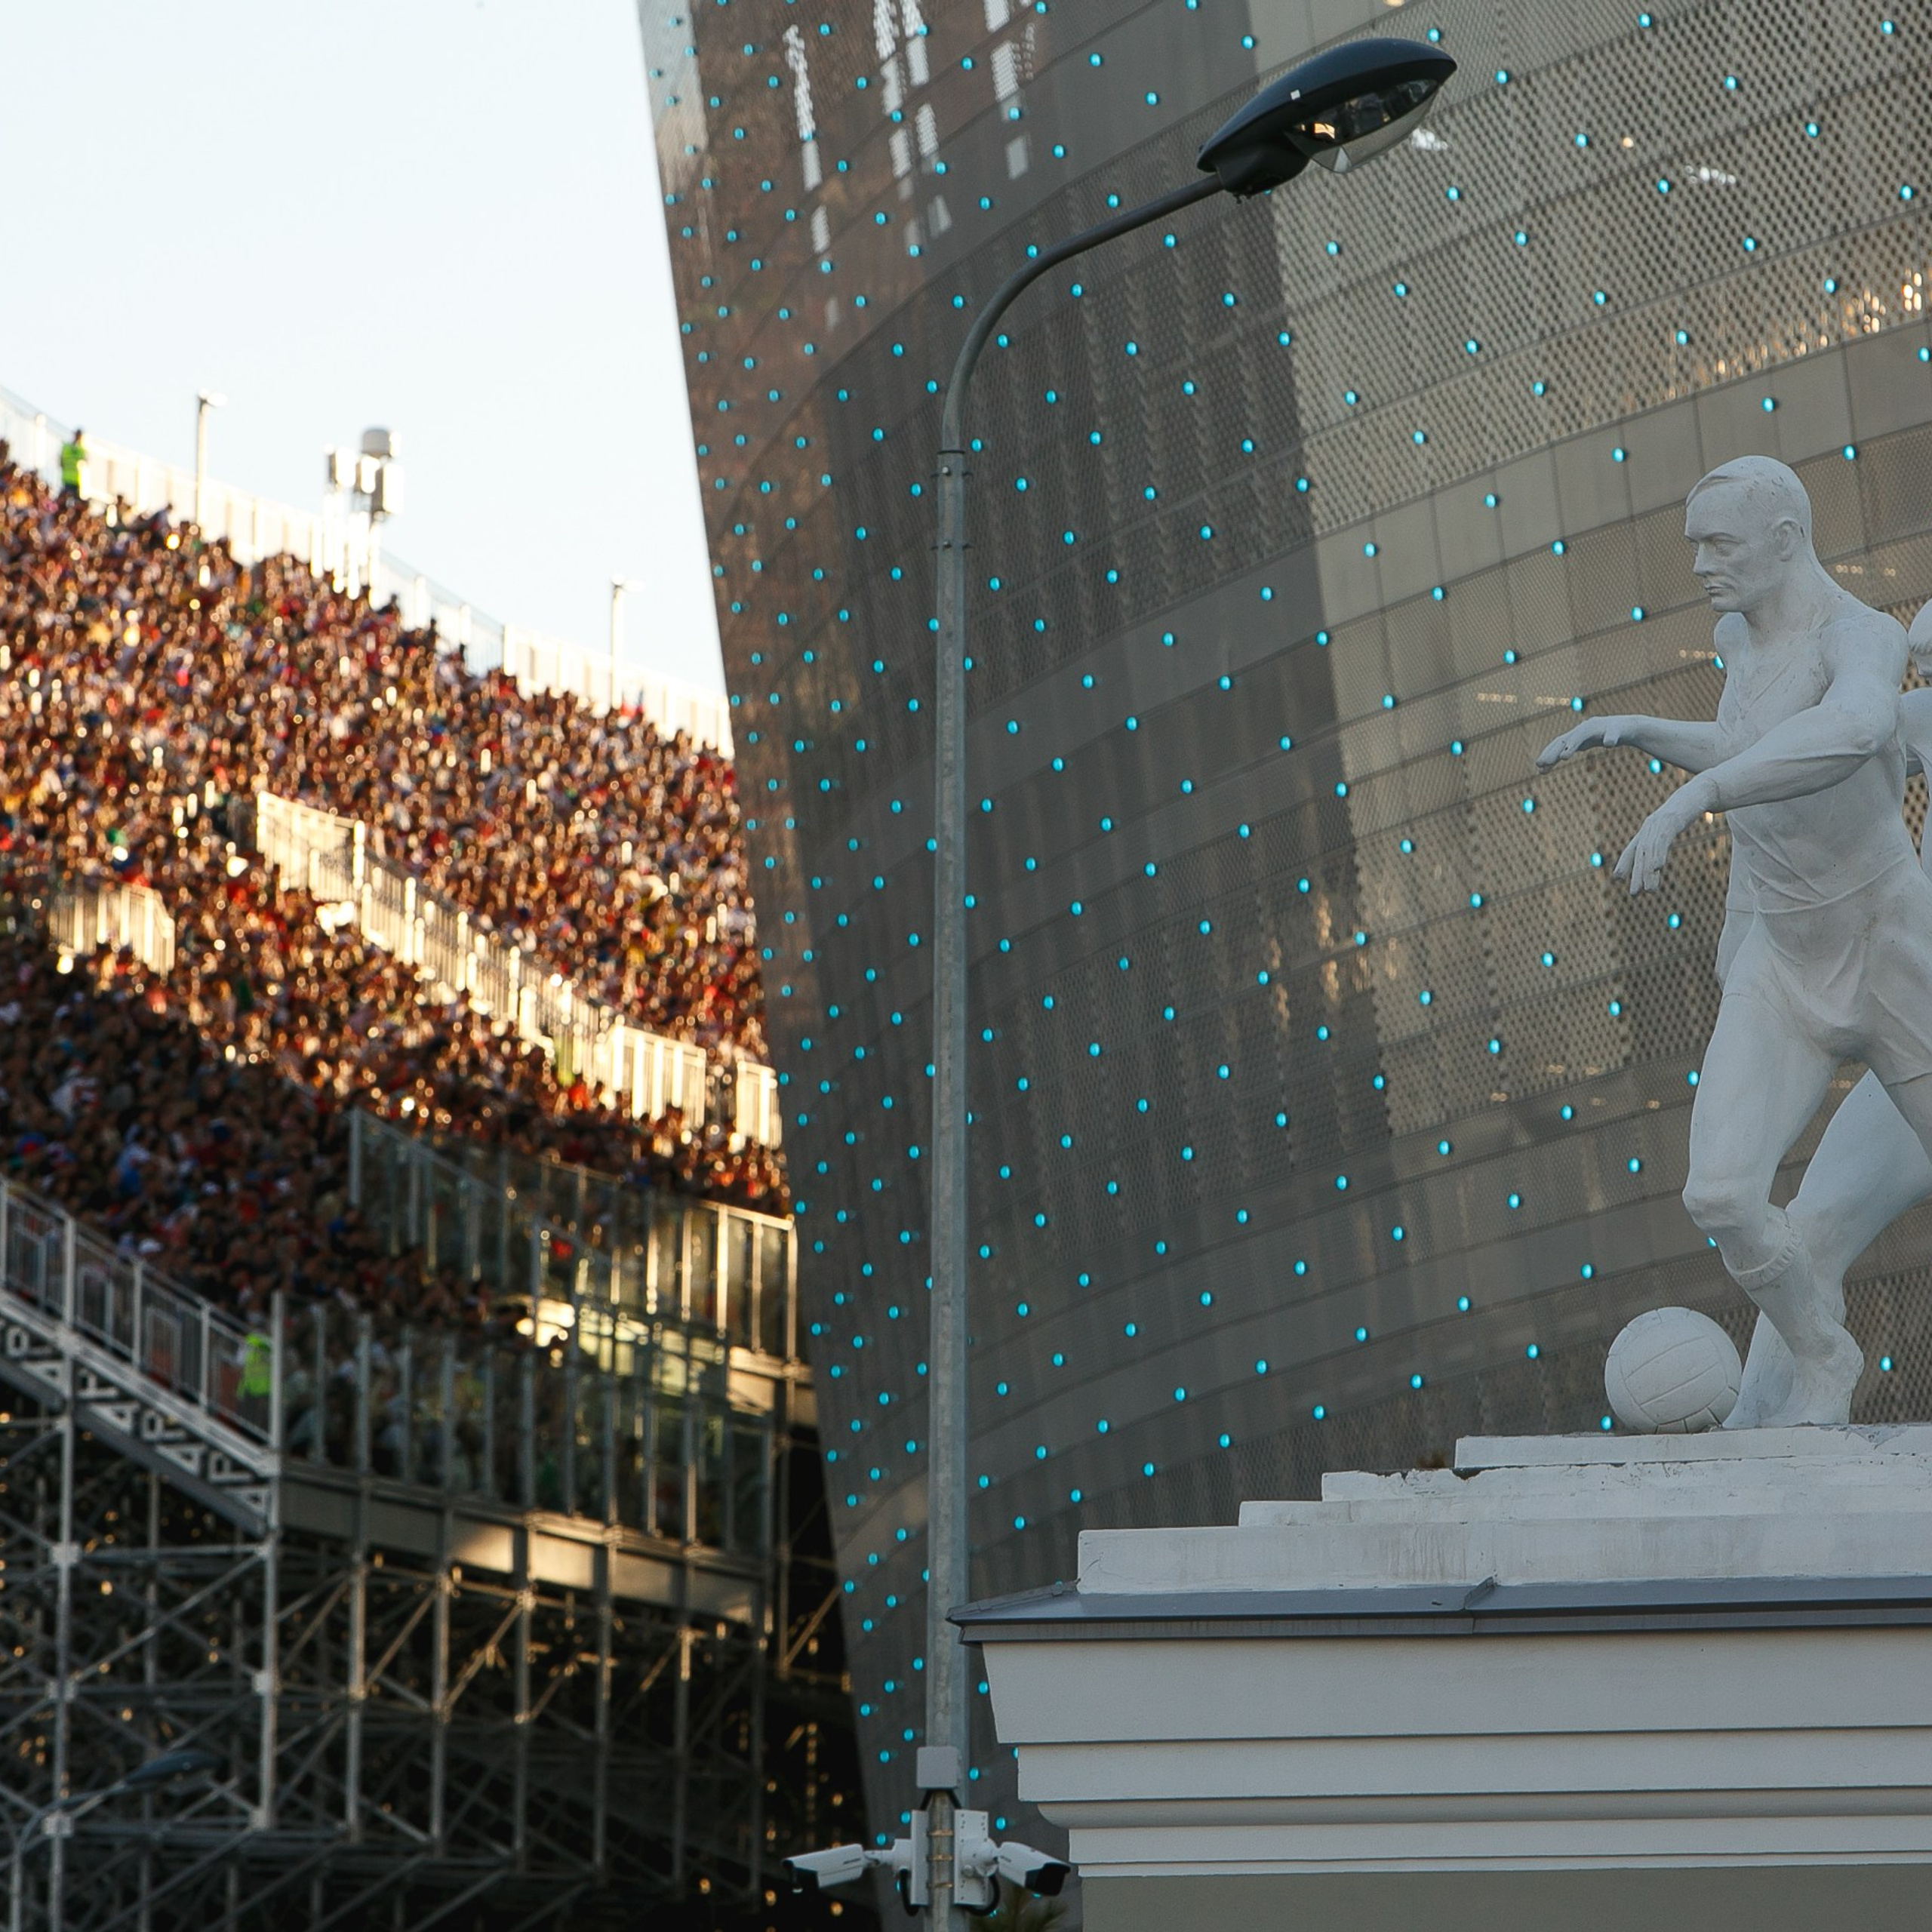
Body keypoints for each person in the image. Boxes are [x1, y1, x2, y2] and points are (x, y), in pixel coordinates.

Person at [1538, 455, 1932, 1427]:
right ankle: (1821, 1354)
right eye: (1695, 545)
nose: (1701, 564)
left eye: (1719, 544)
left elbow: (1851, 728)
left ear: (1784, 540)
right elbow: (1751, 740)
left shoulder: (1863, 637)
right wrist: (1643, 731)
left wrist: (1699, 796)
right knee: (1719, 1193)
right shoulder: (1737, 639)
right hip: (1784, 968)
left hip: (1888, 950)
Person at [58, 427, 87, 498]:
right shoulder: (77, 449)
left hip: (75, 479)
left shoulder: (80, 449)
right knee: (68, 498)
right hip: (69, 477)